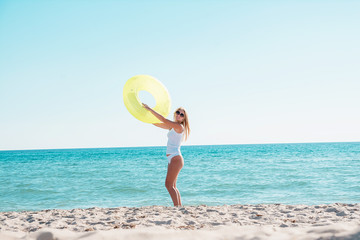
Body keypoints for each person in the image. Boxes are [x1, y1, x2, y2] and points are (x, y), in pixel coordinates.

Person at [142, 103, 190, 207]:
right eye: (178, 112)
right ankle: (179, 207)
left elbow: (163, 119)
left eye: (182, 115)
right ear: (175, 113)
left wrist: (150, 109)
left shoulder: (179, 126)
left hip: (176, 158)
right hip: (172, 158)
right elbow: (157, 123)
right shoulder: (172, 127)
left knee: (168, 185)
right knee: (173, 185)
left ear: (183, 119)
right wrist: (145, 116)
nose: (179, 115)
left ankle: (177, 207)